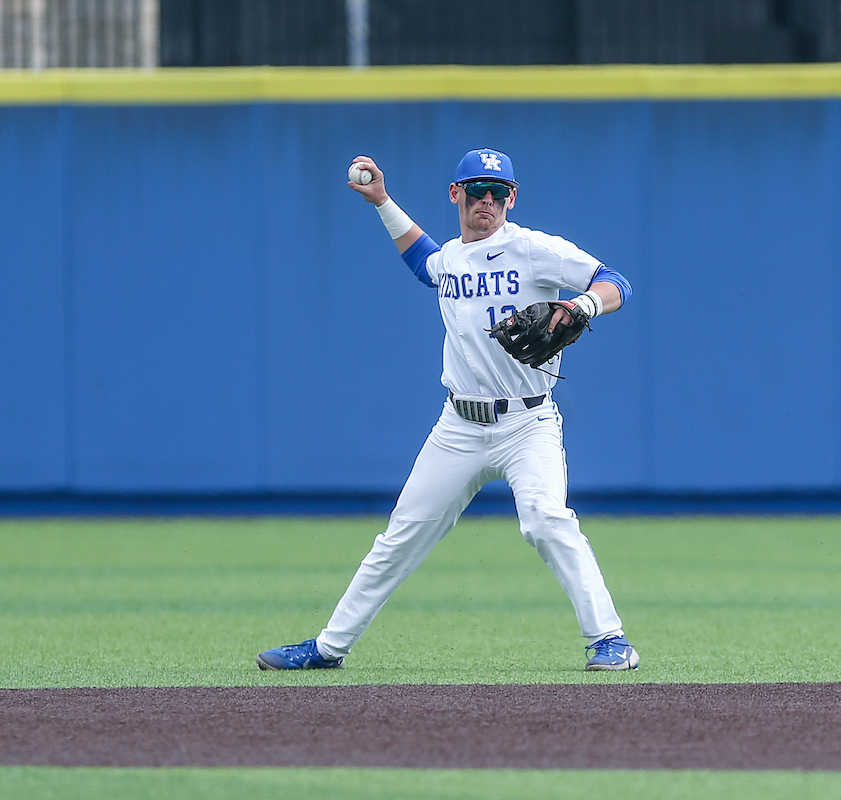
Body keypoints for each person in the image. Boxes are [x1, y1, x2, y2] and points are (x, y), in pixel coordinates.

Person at [255, 148, 638, 672]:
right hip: (458, 426)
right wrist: (382, 200)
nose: (488, 200)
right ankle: (327, 648)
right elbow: (424, 263)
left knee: (547, 520)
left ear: (513, 197)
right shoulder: (453, 257)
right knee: (400, 535)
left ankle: (610, 640)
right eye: (477, 189)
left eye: (499, 191)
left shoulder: (533, 249)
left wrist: (581, 304)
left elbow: (617, 281)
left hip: (528, 422)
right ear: (455, 194)